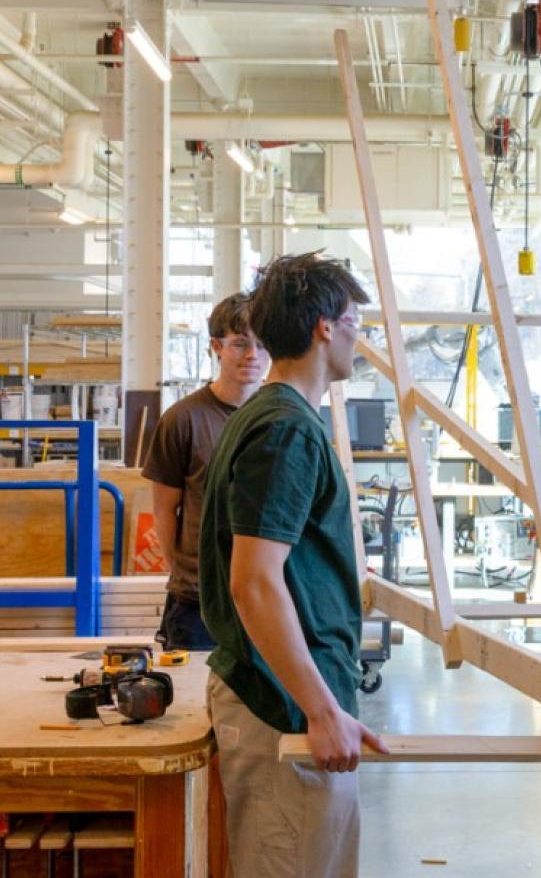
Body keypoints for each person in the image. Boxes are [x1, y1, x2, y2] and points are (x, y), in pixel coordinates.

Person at [198, 251, 387, 877]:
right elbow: (253, 580)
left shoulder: (278, 416)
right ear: (323, 327)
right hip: (280, 708)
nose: (360, 335)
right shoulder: (286, 429)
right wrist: (321, 709)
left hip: (292, 697)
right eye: (355, 320)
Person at [142, 292, 269, 651]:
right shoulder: (183, 419)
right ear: (216, 345)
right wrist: (186, 573)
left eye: (261, 345)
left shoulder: (278, 418)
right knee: (189, 702)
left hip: (264, 595)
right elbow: (165, 510)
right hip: (198, 603)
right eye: (240, 344)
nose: (252, 356)